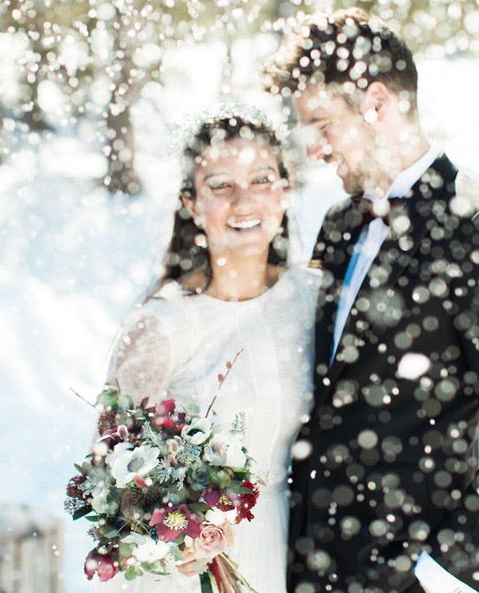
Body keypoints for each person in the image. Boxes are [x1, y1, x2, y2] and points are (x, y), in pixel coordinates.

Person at [261, 9, 479, 593]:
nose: (316, 150)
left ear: (377, 103)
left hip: (407, 576)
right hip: (305, 563)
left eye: (323, 125)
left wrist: (444, 576)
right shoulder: (338, 223)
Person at [95, 108, 318, 593]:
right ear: (191, 204)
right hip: (186, 570)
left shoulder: (312, 298)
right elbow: (113, 467)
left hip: (286, 545)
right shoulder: (161, 327)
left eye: (262, 179)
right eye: (221, 185)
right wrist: (177, 532)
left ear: (284, 190)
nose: (245, 200)